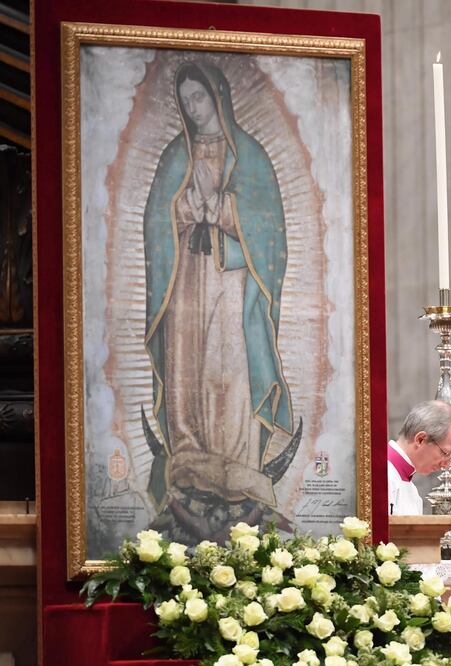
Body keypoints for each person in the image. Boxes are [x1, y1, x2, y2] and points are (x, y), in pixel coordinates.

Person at [143, 61, 292, 531]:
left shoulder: (247, 155)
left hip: (231, 283)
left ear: (218, 97)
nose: (193, 108)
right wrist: (187, 206)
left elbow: (269, 231)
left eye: (199, 98)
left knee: (228, 366)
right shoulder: (175, 156)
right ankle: (189, 457)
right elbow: (155, 222)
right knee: (188, 365)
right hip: (186, 279)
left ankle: (236, 463)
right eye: (185, 101)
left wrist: (224, 208)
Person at [388, 400, 451, 515]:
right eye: (445, 453)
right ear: (420, 439)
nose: (447, 465)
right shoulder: (381, 474)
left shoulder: (411, 489)